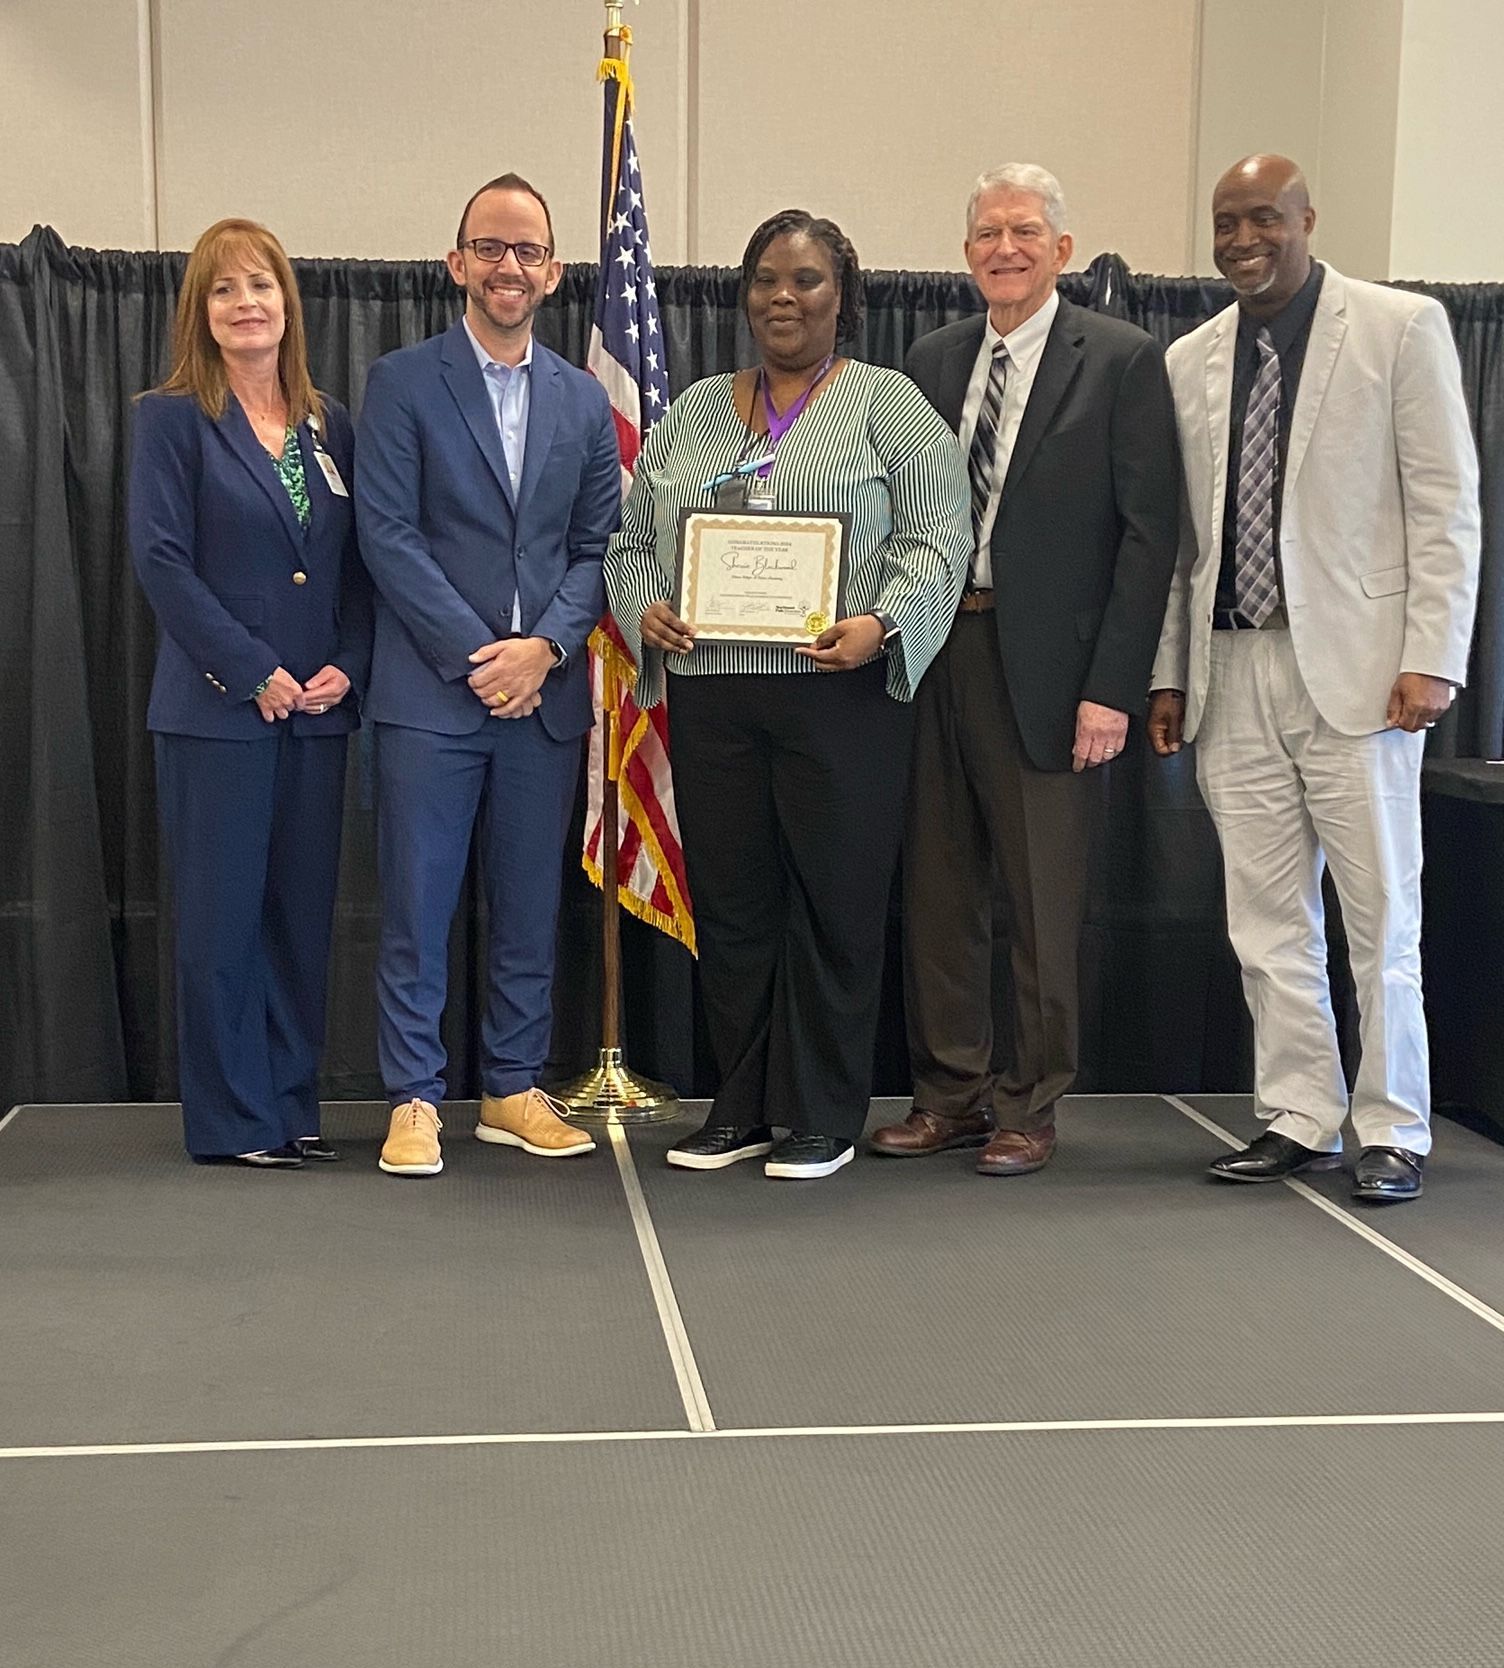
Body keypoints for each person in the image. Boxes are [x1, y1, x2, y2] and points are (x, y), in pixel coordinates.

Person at [606, 208, 971, 1180]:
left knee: (833, 902)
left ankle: (819, 1113)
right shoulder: (691, 412)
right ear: (744, 293)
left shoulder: (886, 406)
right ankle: (741, 1105)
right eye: (767, 277)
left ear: (841, 297)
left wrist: (883, 624)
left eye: (806, 279)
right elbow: (631, 539)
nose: (783, 295)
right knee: (734, 906)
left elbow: (938, 534)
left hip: (836, 694)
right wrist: (646, 608)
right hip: (715, 696)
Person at [1148, 154, 1481, 1203]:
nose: (1243, 238)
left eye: (1263, 218)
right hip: (1228, 665)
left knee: (1382, 917)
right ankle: (1300, 1115)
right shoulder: (1188, 357)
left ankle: (1393, 1127)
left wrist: (1431, 655)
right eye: (1224, 222)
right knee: (1263, 916)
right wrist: (1167, 671)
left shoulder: (1397, 328)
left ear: (1305, 219)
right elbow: (1180, 540)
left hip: (1363, 673)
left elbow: (1445, 505)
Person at [869, 164, 1180, 1176]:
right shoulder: (929, 358)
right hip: (936, 651)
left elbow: (1148, 537)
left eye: (1024, 231)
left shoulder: (1123, 361)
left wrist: (1112, 689)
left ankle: (1029, 1106)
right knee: (940, 893)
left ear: (1062, 249)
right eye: (987, 233)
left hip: (1051, 671)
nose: (1004, 247)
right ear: (966, 255)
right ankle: (949, 1095)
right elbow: (899, 512)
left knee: (1043, 905)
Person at [355, 173, 620, 1178]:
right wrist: (483, 659)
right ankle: (415, 1099)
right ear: (455, 261)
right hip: (433, 699)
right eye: (491, 248)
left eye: (529, 251)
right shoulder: (400, 384)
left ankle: (511, 1087)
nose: (510, 266)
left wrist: (545, 650)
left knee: (526, 906)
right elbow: (385, 535)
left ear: (552, 272)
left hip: (542, 702)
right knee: (418, 907)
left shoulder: (585, 400)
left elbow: (598, 545)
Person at [128, 217, 371, 1167]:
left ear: (287, 303)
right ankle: (233, 1123)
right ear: (201, 311)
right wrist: (252, 670)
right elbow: (161, 562)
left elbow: (352, 568)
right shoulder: (172, 418)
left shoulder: (329, 422)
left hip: (318, 715)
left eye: (260, 285)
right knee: (222, 921)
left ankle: (289, 1106)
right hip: (219, 715)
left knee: (298, 921)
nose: (246, 305)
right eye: (224, 290)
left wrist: (349, 662)